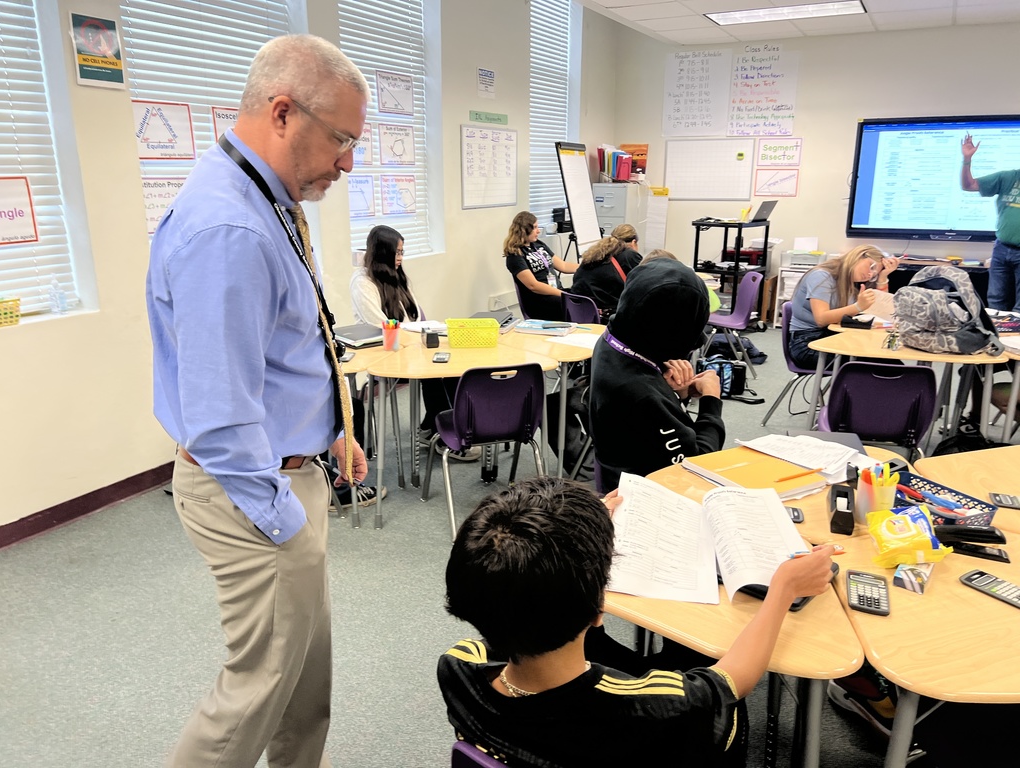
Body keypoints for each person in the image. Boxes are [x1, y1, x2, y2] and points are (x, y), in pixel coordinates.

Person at [146, 35, 373, 767]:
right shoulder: (231, 228)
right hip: (251, 489)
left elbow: (288, 344)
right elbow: (219, 417)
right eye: (341, 139)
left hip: (288, 471)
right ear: (282, 112)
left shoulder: (264, 196)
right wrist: (287, 524)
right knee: (252, 698)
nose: (348, 161)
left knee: (305, 690)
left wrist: (330, 430)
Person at [438, 477, 836, 767]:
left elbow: (514, 602)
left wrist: (585, 534)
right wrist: (782, 590)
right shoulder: (657, 707)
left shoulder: (456, 667)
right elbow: (733, 681)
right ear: (599, 608)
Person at [589, 258, 724, 492]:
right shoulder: (641, 393)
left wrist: (674, 395)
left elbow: (647, 429)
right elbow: (693, 469)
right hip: (652, 497)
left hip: (625, 470)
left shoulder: (613, 339)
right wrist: (711, 402)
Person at [350, 224, 477, 459]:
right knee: (435, 370)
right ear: (382, 252)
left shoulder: (396, 276)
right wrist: (414, 334)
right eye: (397, 253)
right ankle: (442, 436)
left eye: (402, 252)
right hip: (386, 352)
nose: (400, 258)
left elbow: (416, 314)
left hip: (412, 346)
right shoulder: (362, 282)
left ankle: (435, 429)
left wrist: (425, 331)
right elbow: (379, 326)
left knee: (453, 367)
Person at [787, 245, 899, 370]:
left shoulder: (854, 283)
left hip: (835, 336)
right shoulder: (822, 276)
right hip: (808, 343)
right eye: (871, 267)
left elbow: (883, 312)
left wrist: (883, 276)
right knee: (881, 365)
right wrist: (858, 307)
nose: (869, 274)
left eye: (874, 274)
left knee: (890, 362)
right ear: (860, 256)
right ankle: (848, 389)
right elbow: (821, 319)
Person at [961, 132, 1020, 311]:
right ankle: (996, 338)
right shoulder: (1008, 177)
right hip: (1001, 248)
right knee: (995, 301)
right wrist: (967, 160)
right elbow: (968, 185)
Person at [503, 211, 577, 321]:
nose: (538, 231)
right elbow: (534, 285)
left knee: (584, 294)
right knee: (574, 305)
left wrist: (587, 266)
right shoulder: (515, 255)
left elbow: (563, 266)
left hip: (557, 293)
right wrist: (563, 295)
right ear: (524, 230)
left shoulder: (538, 245)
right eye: (535, 228)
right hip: (540, 300)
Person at [569, 235, 641, 318]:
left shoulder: (588, 261)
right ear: (634, 242)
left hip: (577, 314)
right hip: (606, 317)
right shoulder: (629, 255)